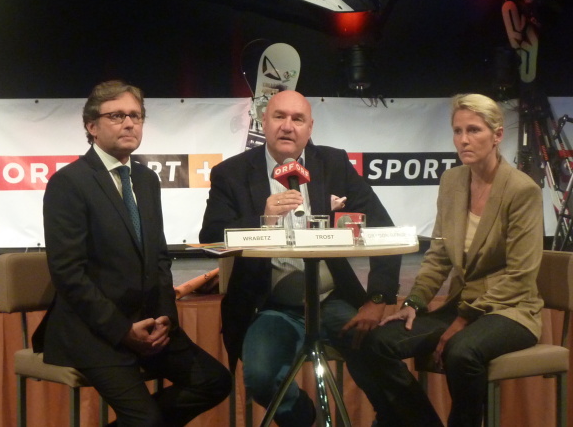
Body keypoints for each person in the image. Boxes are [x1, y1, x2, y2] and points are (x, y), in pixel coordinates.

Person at [33, 80, 231, 426]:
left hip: (150, 323)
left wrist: (165, 318)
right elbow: (68, 273)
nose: (129, 123)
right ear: (91, 127)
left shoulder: (146, 179)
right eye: (116, 116)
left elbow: (159, 258)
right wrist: (123, 330)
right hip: (94, 331)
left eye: (135, 116)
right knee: (146, 420)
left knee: (215, 382)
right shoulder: (69, 182)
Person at [199, 90, 402, 426]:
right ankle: (305, 418)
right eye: (279, 117)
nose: (288, 126)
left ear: (310, 127)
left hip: (332, 300)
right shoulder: (231, 173)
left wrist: (378, 298)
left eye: (298, 119)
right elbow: (211, 235)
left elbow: (384, 228)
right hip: (269, 305)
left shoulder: (334, 164)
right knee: (262, 378)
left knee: (385, 366)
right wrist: (262, 219)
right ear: (264, 122)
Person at [363, 93, 544, 427]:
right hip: (463, 306)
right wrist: (414, 302)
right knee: (377, 343)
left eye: (473, 130)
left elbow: (520, 277)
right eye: (457, 131)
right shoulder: (452, 181)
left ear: (497, 135)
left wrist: (463, 320)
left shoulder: (522, 190)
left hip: (511, 310)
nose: (463, 140)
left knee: (461, 352)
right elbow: (438, 256)